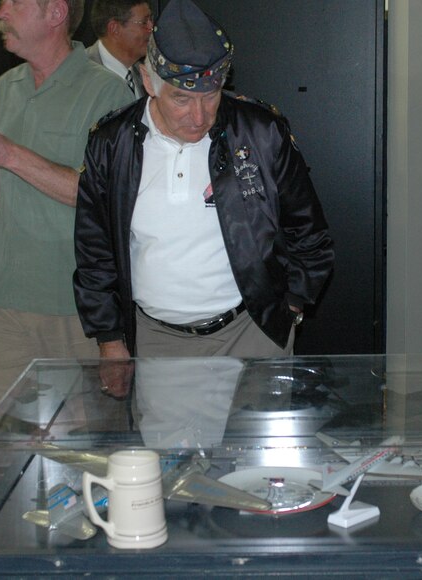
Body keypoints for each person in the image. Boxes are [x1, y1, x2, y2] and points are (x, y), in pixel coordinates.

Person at [0, 0, 133, 554]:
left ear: (56, 12)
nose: (1, 10)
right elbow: (2, 186)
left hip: (77, 303)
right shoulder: (7, 87)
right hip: (10, 293)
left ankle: (88, 554)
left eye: (15, 2)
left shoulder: (107, 93)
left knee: (84, 446)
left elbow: (100, 196)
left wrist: (10, 153)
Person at [74, 0, 333, 394]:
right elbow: (95, 251)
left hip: (253, 331)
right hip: (157, 340)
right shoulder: (113, 144)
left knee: (258, 434)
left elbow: (309, 231)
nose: (199, 116)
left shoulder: (260, 132)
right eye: (181, 98)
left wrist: (292, 305)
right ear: (148, 82)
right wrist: (109, 338)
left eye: (211, 96)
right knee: (166, 437)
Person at [86, 0, 152, 98]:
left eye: (151, 20)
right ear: (115, 29)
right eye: (144, 22)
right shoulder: (80, 75)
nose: (151, 28)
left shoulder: (149, 71)